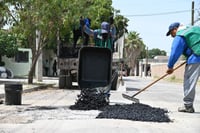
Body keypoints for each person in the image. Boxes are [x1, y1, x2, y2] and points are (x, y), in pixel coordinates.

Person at [166, 22, 200, 113]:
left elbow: (174, 52)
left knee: (189, 81)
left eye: (171, 33)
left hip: (197, 58)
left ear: (175, 29)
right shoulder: (194, 29)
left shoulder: (180, 35)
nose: (172, 36)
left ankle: (188, 106)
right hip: (196, 54)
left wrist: (170, 66)